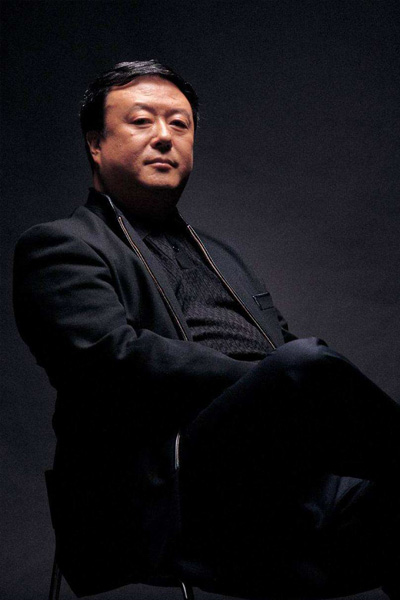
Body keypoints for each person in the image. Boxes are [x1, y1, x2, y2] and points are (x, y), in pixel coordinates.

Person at [13, 60, 399, 599]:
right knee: (304, 364)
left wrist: (283, 382)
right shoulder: (60, 245)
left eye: (180, 124)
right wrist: (268, 379)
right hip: (165, 485)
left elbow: (282, 347)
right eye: (141, 121)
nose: (164, 137)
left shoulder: (222, 256)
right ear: (95, 145)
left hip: (286, 478)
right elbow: (111, 360)